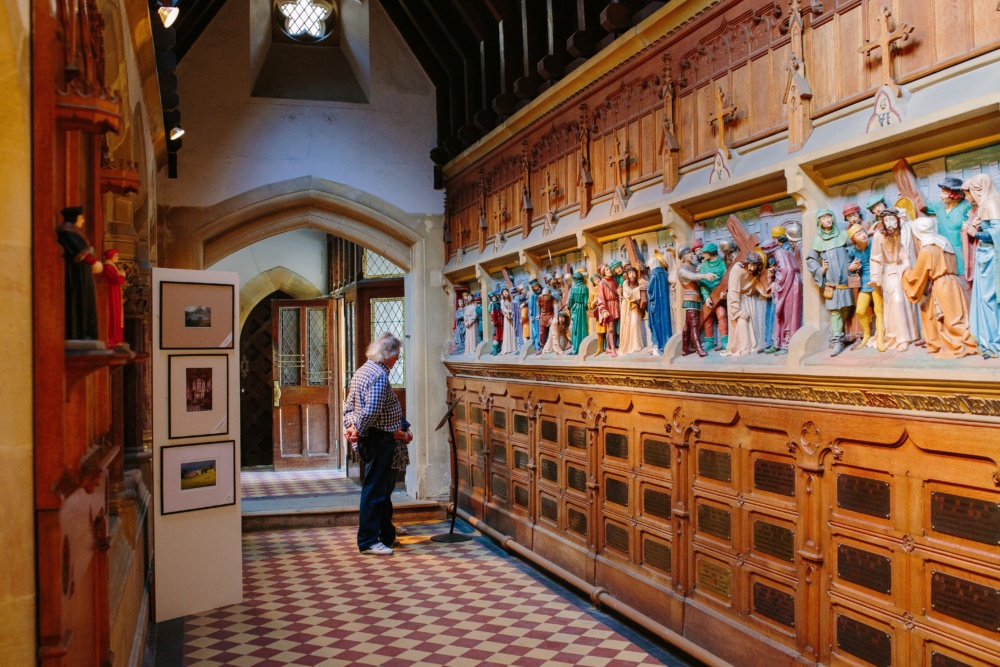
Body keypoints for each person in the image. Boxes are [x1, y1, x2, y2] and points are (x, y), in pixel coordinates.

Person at [343, 332, 411, 556]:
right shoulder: (379, 376)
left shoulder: (363, 370)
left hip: (371, 437)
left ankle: (384, 533)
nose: (397, 359)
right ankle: (368, 541)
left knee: (379, 489)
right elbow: (371, 411)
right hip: (379, 439)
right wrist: (359, 429)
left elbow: (350, 405)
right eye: (397, 355)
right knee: (375, 491)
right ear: (388, 354)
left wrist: (352, 428)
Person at [901, 217, 978, 358]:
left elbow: (914, 278)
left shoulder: (927, 250)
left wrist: (906, 263)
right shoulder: (943, 242)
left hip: (943, 286)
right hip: (955, 284)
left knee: (950, 322)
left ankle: (954, 344)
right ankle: (936, 340)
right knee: (947, 315)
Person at [805, 209, 855, 356]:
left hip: (848, 279)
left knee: (849, 308)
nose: (826, 219)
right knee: (836, 312)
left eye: (828, 216)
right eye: (822, 218)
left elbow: (853, 251)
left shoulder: (844, 235)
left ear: (833, 218)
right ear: (819, 222)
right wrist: (821, 269)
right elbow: (810, 259)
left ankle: (851, 334)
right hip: (832, 283)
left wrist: (852, 265)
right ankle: (837, 340)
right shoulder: (818, 240)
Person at [870, 208, 919, 351]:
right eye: (886, 220)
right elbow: (876, 258)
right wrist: (875, 277)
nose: (890, 224)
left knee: (910, 299)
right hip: (890, 270)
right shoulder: (879, 236)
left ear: (898, 220)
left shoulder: (904, 232)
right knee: (897, 299)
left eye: (892, 219)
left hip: (905, 267)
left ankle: (913, 334)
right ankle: (901, 338)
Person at [963, 174, 1000, 357]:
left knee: (989, 299)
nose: (968, 197)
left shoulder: (991, 204)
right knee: (985, 300)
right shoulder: (984, 205)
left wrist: (974, 233)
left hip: (992, 259)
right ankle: (988, 340)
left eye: (968, 193)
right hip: (985, 257)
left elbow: (997, 233)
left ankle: (994, 343)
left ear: (977, 190)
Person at [57, 206, 103, 341]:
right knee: (78, 303)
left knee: (85, 303)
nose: (82, 220)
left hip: (82, 275)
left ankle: (85, 333)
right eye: (81, 217)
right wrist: (94, 263)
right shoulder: (67, 232)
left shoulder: (71, 232)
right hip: (76, 276)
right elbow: (80, 252)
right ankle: (79, 334)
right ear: (75, 218)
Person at [721, 252, 767, 357]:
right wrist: (738, 311)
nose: (751, 267)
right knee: (742, 321)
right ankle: (742, 348)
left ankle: (751, 346)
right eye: (750, 264)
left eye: (754, 265)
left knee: (751, 323)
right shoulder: (738, 269)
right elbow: (733, 291)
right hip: (737, 300)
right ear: (746, 262)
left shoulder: (756, 272)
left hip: (749, 299)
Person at [846, 224, 884, 351]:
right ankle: (867, 335)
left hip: (877, 279)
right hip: (864, 283)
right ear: (853, 239)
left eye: (862, 231)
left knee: (879, 309)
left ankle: (880, 338)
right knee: (860, 310)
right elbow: (849, 269)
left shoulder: (873, 242)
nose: (862, 234)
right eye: (858, 233)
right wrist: (850, 268)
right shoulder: (852, 251)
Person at [926, 176, 972, 276]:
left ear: (954, 194)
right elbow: (922, 205)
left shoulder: (966, 206)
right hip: (943, 249)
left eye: (944, 193)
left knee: (962, 279)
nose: (941, 195)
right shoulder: (939, 206)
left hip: (960, 252)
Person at [677, 247, 716, 357]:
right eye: (688, 254)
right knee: (694, 324)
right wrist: (705, 275)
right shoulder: (682, 270)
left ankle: (685, 348)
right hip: (691, 298)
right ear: (683, 256)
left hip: (697, 298)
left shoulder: (693, 266)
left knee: (688, 325)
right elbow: (693, 277)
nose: (691, 255)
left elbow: (696, 273)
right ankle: (698, 348)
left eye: (691, 253)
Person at [699, 242, 728, 351]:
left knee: (721, 315)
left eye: (705, 253)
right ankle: (709, 342)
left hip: (719, 296)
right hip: (708, 296)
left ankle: (725, 341)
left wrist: (723, 292)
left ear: (710, 253)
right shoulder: (704, 266)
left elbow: (725, 279)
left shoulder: (722, 263)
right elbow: (702, 282)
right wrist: (706, 297)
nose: (703, 255)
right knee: (707, 318)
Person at [645, 255, 672, 355]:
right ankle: (666, 345)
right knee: (665, 324)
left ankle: (659, 347)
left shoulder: (654, 274)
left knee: (656, 325)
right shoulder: (664, 273)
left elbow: (650, 290)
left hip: (655, 305)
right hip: (665, 305)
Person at [618, 265, 648, 354]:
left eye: (633, 273)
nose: (632, 275)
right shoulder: (625, 283)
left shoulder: (637, 283)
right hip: (627, 307)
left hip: (636, 306)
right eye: (630, 273)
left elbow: (646, 286)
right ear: (627, 275)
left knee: (636, 323)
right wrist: (639, 289)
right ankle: (631, 345)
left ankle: (637, 344)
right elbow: (629, 294)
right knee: (630, 324)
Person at [103, 249, 126, 347]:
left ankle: (116, 338)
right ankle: (113, 338)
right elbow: (117, 280)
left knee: (115, 315)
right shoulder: (108, 267)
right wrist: (122, 275)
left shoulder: (111, 266)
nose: (118, 258)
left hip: (114, 294)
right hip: (111, 294)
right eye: (116, 256)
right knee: (113, 314)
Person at [568, 270, 590, 354]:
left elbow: (571, 300)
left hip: (575, 308)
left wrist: (572, 309)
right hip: (582, 309)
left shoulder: (573, 288)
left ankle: (575, 348)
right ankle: (582, 347)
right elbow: (585, 302)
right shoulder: (585, 288)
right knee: (582, 327)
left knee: (575, 328)